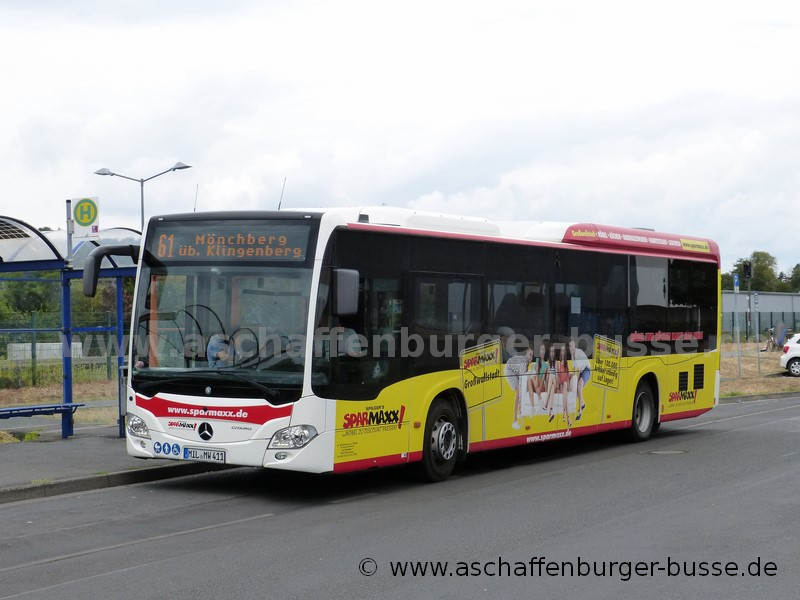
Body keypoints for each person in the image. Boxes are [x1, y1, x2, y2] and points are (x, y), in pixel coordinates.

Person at [505, 345, 533, 430]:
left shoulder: (526, 363)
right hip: (509, 370)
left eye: (532, 355)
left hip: (515, 371)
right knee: (519, 392)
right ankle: (514, 420)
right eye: (530, 354)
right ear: (526, 353)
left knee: (522, 390)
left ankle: (520, 411)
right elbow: (521, 384)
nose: (531, 357)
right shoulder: (523, 362)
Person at [569, 337, 591, 420]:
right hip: (581, 371)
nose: (571, 348)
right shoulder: (572, 356)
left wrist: (574, 381)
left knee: (578, 388)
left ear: (575, 345)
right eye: (570, 346)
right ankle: (583, 404)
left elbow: (577, 372)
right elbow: (574, 370)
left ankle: (580, 412)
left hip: (586, 370)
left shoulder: (577, 353)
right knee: (575, 389)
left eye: (572, 345)